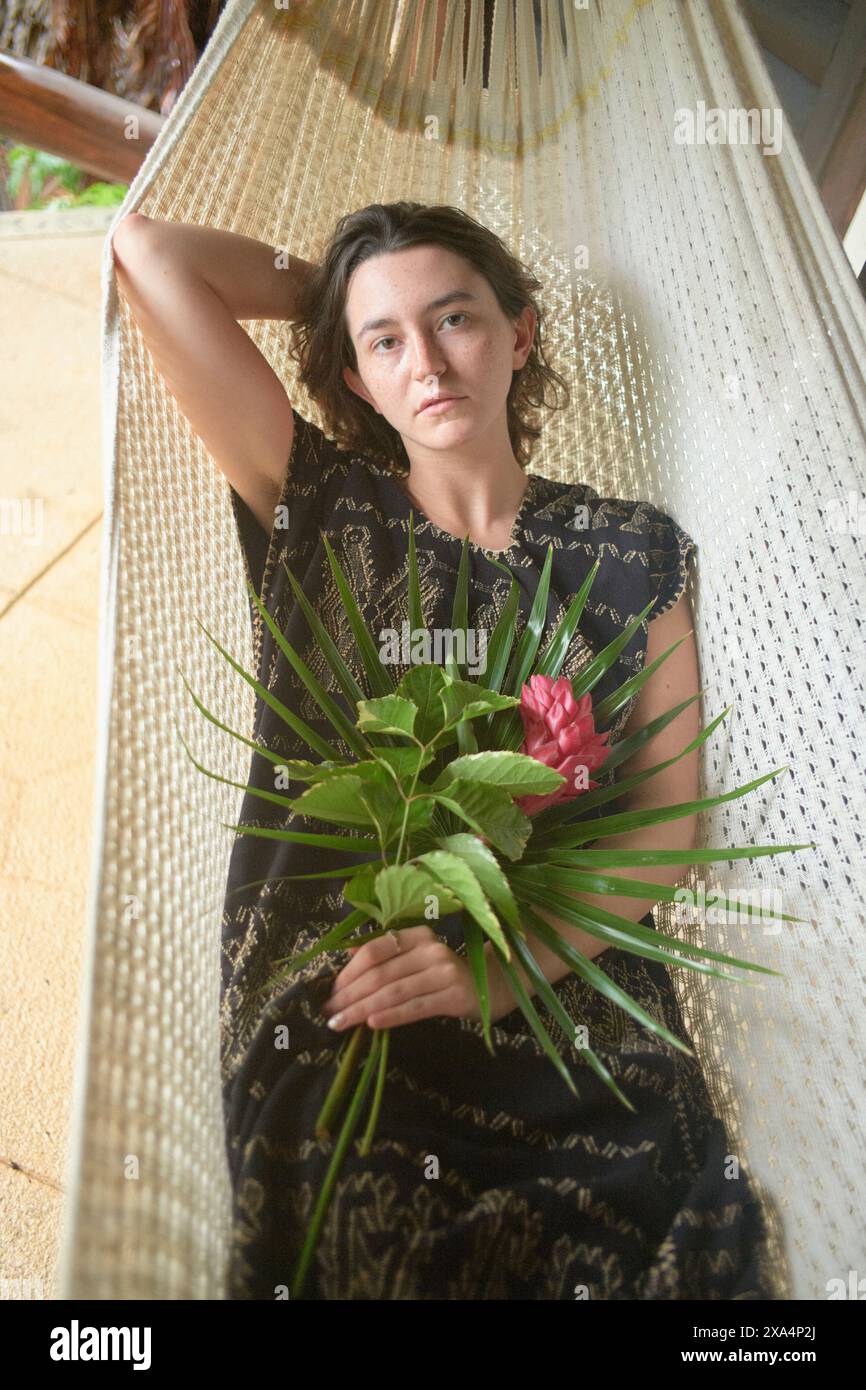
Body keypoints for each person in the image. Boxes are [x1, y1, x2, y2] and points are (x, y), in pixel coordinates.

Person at [111, 201, 775, 1300]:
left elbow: (665, 817)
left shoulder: (629, 549)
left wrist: (505, 969)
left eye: (455, 318)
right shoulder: (323, 506)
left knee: (644, 1241)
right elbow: (148, 250)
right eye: (384, 342)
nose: (424, 360)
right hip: (349, 987)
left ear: (519, 333)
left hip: (569, 986)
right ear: (357, 382)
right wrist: (339, 288)